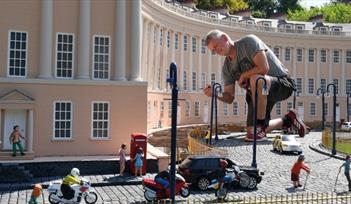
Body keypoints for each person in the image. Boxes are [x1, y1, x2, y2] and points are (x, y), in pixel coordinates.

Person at [204, 30, 307, 141]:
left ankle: (260, 124)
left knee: (256, 79)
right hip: (257, 93)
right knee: (251, 133)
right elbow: (229, 97)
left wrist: (244, 75)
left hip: (282, 83)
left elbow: (264, 68)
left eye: (216, 46)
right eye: (213, 50)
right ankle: (287, 120)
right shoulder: (227, 68)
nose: (216, 51)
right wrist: (215, 94)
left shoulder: (249, 42)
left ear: (224, 38)